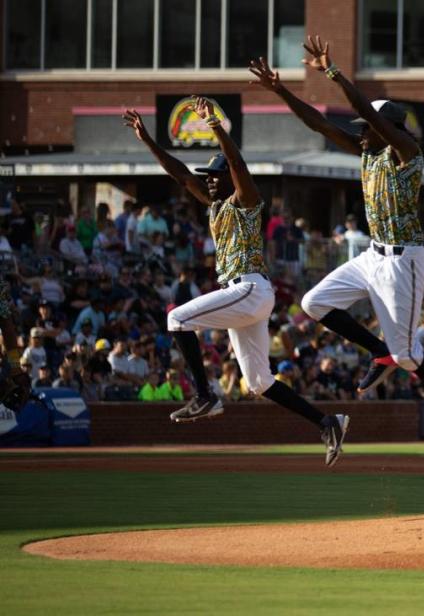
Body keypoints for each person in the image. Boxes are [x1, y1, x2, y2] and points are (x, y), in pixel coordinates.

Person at [249, 42, 424, 440]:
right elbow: (320, 125)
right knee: (313, 302)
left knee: (408, 355)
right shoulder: (369, 152)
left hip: (403, 262)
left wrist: (333, 72)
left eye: (367, 129)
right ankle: (377, 349)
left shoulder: (407, 151)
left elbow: (369, 115)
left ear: (386, 129)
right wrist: (281, 91)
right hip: (372, 256)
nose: (361, 134)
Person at [122, 97, 348, 466]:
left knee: (176, 318)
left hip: (248, 288)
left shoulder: (247, 200)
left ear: (230, 176)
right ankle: (327, 423)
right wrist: (147, 139)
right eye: (208, 176)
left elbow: (238, 164)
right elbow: (180, 174)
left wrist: (216, 128)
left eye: (215, 174)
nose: (209, 180)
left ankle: (205, 395)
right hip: (247, 297)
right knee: (258, 382)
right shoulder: (215, 206)